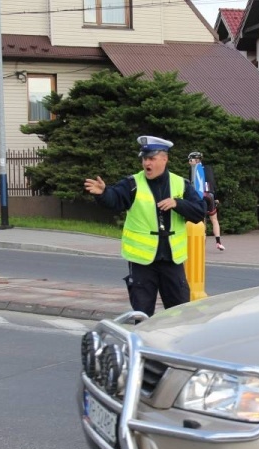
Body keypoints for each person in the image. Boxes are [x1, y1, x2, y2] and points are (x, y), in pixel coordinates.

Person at [84, 135, 206, 317]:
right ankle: (142, 337)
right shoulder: (132, 184)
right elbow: (115, 199)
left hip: (172, 261)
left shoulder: (181, 184)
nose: (146, 163)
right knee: (142, 316)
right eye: (144, 159)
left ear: (164, 159)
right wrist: (103, 194)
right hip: (142, 263)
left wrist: (178, 204)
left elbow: (199, 212)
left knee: (180, 314)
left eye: (151, 158)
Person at [187, 151, 225, 250]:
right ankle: (218, 242)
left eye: (190, 160)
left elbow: (192, 186)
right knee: (214, 220)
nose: (189, 162)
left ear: (196, 160)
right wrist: (215, 197)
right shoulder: (208, 168)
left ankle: (201, 245)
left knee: (201, 221)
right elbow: (212, 183)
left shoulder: (193, 170)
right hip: (210, 195)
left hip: (200, 196)